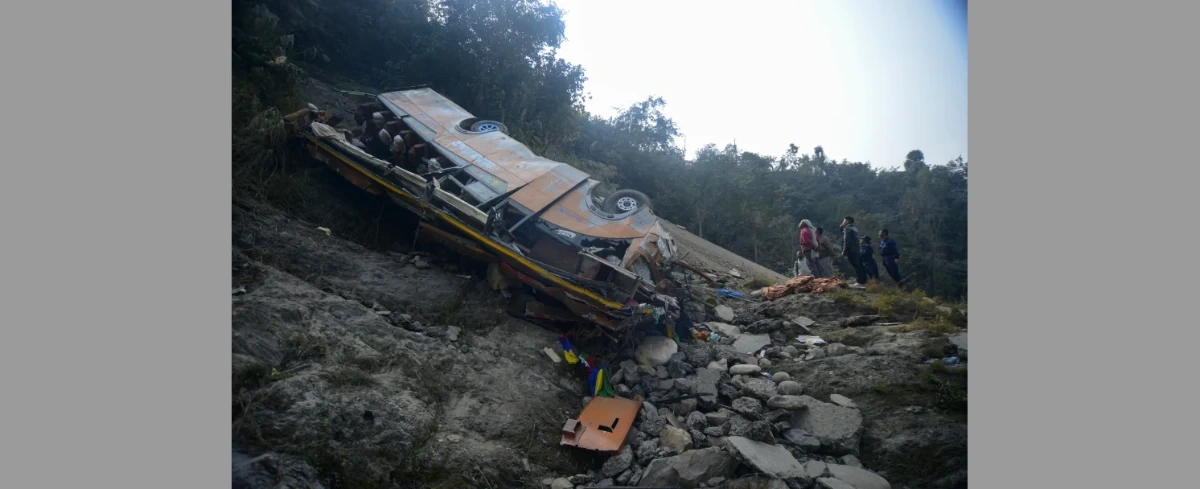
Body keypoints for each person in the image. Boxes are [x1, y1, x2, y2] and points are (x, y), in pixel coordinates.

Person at [840, 216, 867, 287]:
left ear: (847, 221)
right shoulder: (854, 228)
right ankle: (863, 280)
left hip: (851, 250)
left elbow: (847, 241)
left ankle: (860, 282)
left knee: (856, 266)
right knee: (859, 265)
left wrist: (844, 251)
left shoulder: (847, 228)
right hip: (857, 250)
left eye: (844, 221)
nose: (843, 222)